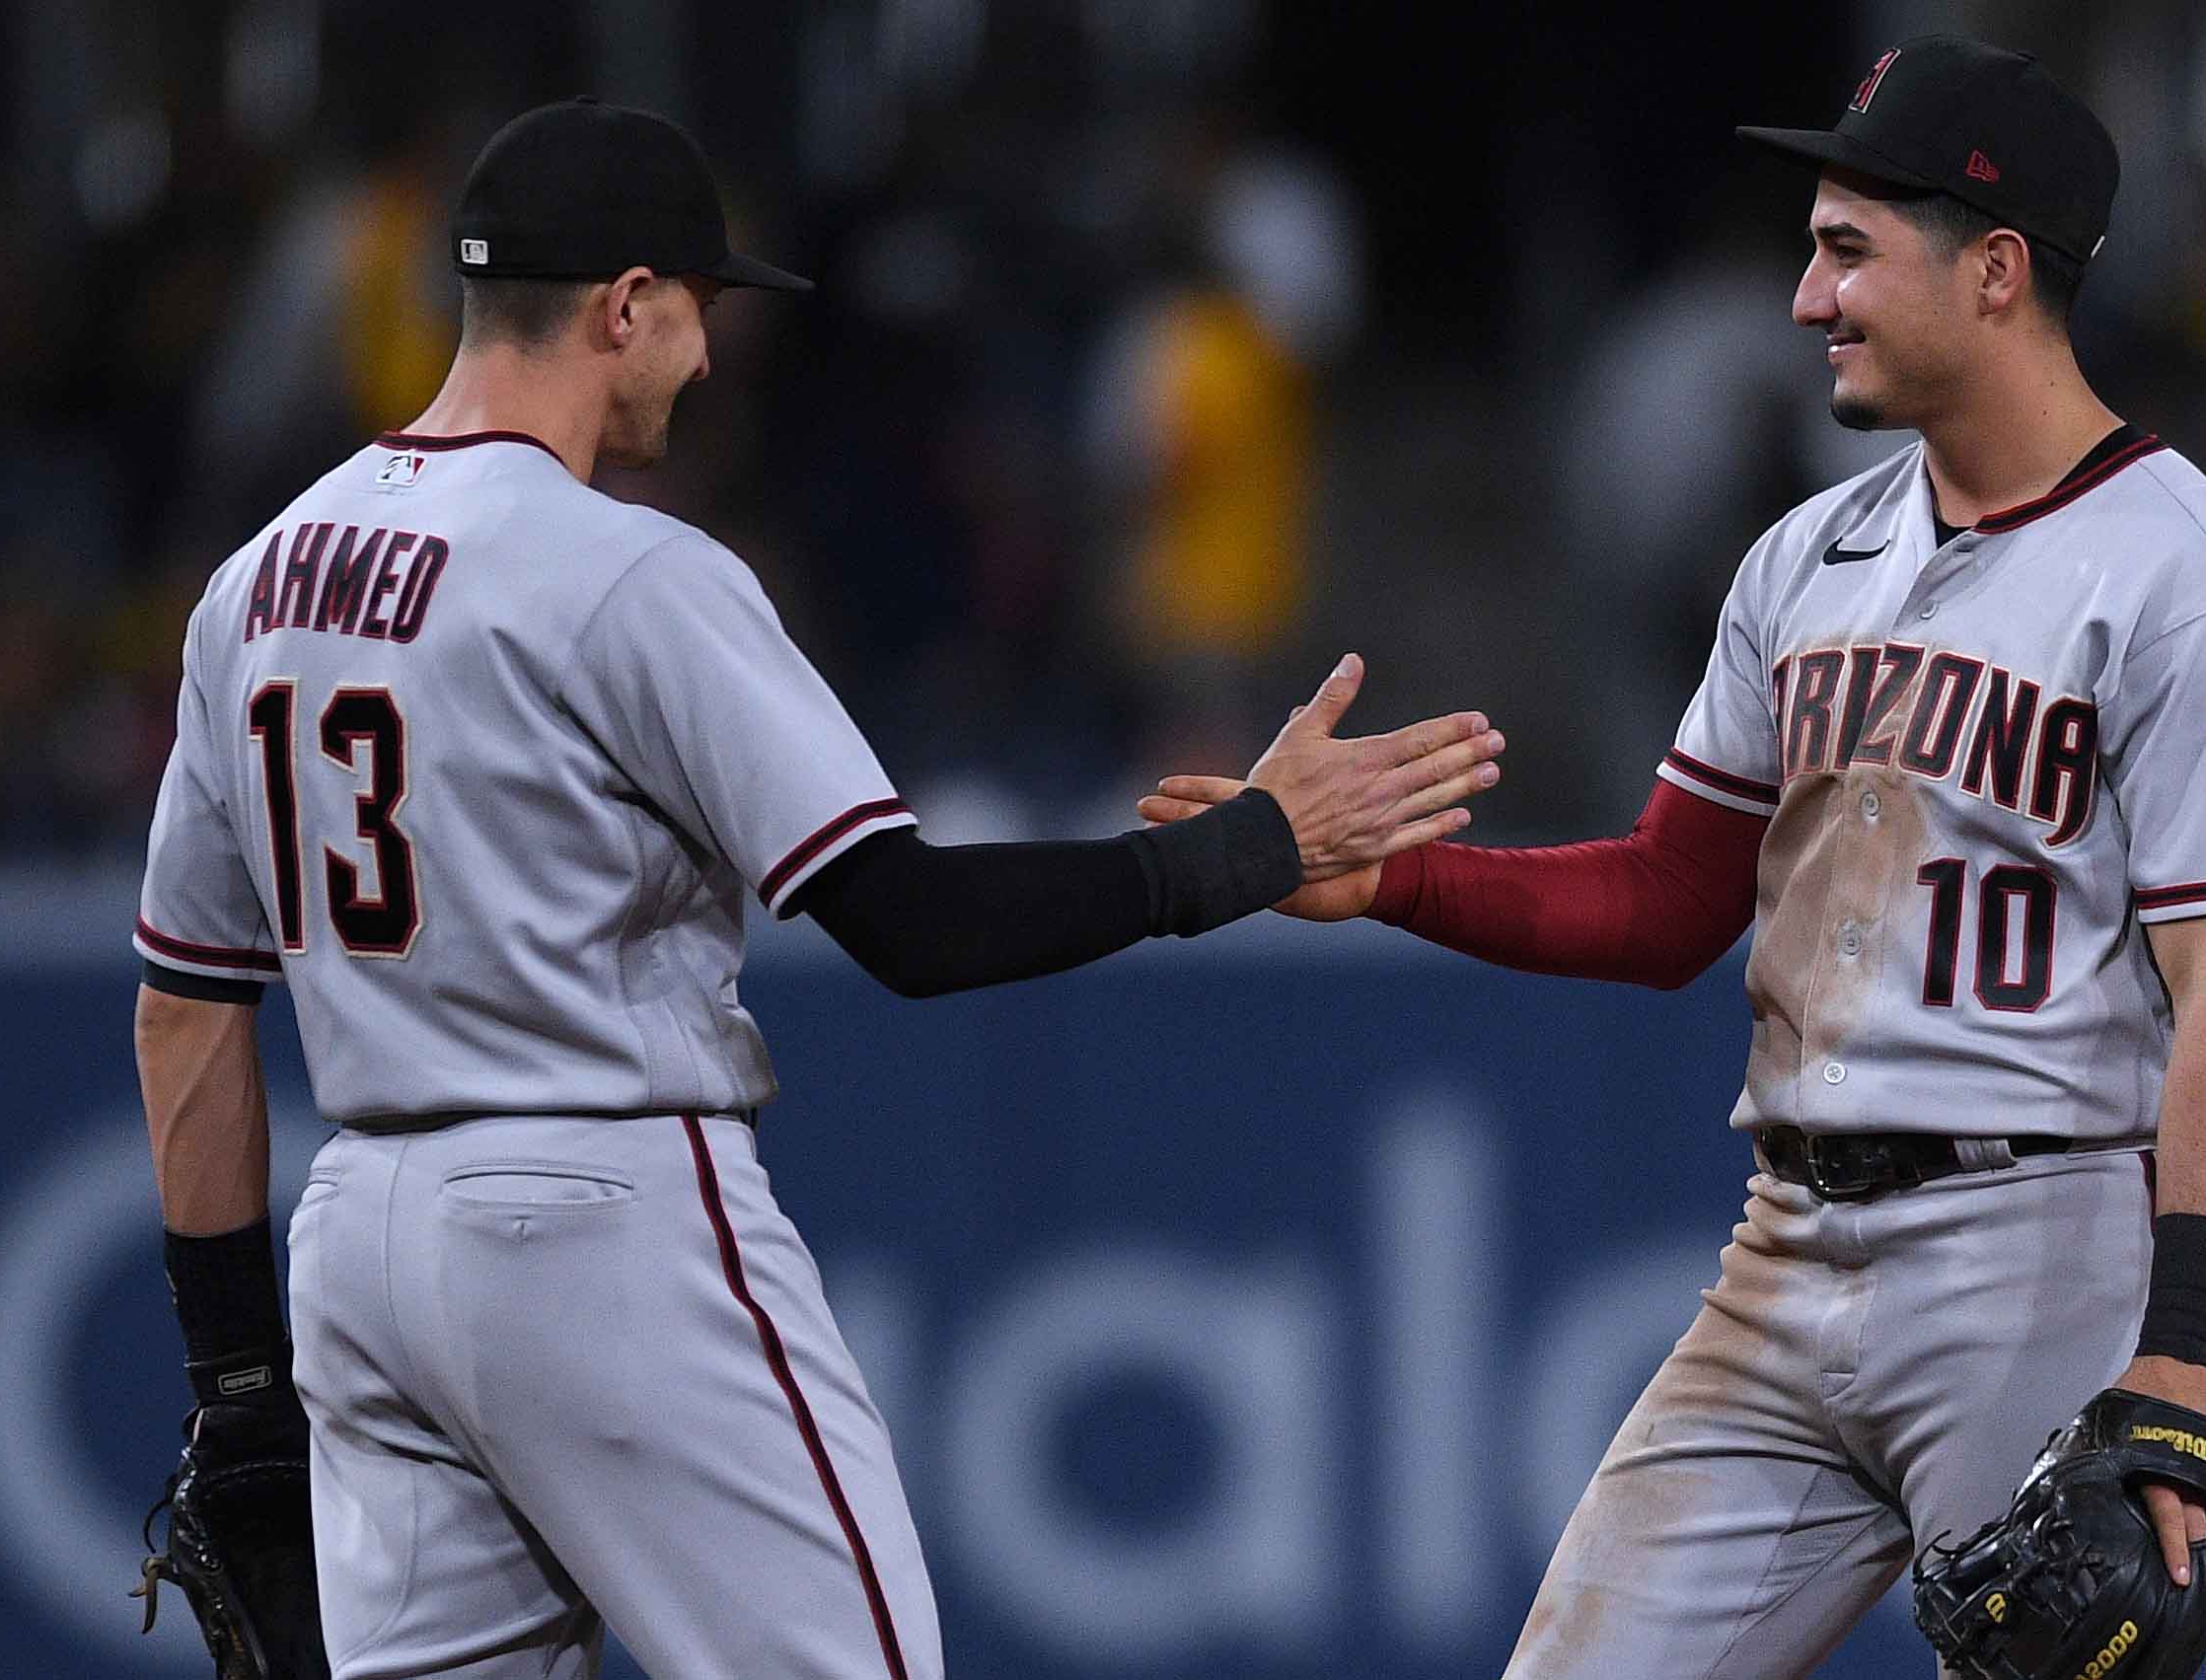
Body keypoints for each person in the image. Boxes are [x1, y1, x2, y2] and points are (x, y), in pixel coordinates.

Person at [130, 98, 1501, 1679]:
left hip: (359, 1240)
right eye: (696, 309)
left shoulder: (256, 584)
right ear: (622, 305)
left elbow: (186, 1010)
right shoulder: (628, 570)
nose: (710, 357)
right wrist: (1251, 845)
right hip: (599, 1210)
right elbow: (906, 924)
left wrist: (238, 1380)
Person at [1142, 36, 2206, 1678]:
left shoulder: (2200, 590)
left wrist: (2182, 1358)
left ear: (1993, 272)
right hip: (1784, 1254)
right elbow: (1664, 899)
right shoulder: (1808, 556)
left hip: (2037, 1248)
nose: (1803, 297)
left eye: (1848, 250)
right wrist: (1388, 881)